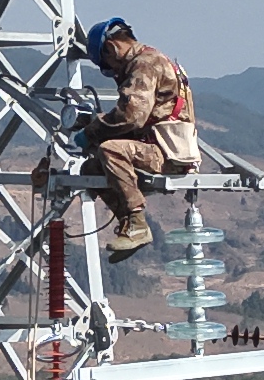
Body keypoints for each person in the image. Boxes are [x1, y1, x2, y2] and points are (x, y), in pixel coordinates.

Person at [76, 15, 198, 256]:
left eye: (108, 66)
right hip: (160, 145)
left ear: (111, 48)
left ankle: (137, 224)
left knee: (110, 150)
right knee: (90, 169)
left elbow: (132, 117)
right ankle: (128, 226)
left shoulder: (144, 64)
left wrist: (92, 132)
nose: (113, 73)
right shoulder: (150, 60)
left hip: (166, 152)